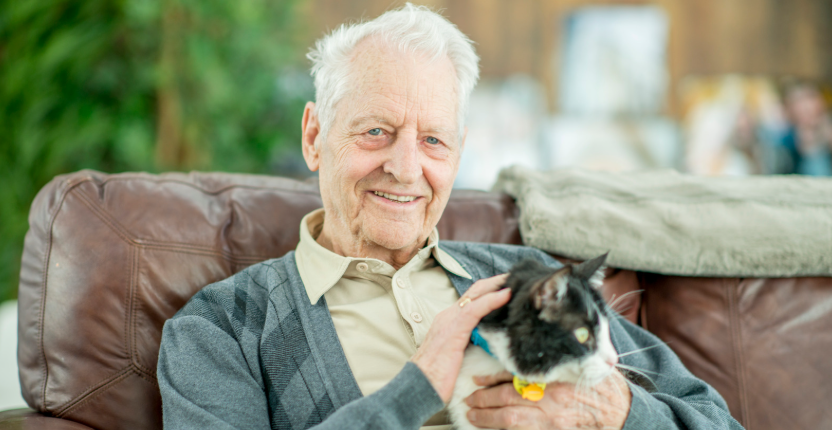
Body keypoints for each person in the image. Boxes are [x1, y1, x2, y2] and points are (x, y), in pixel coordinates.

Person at [157, 4, 744, 429]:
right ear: (315, 136)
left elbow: (715, 421)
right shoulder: (223, 327)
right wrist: (419, 387)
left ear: (458, 154)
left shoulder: (528, 278)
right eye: (376, 132)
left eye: (433, 141)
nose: (406, 168)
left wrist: (609, 411)